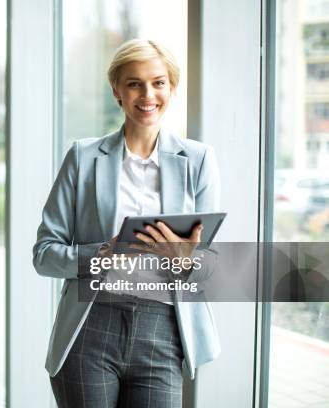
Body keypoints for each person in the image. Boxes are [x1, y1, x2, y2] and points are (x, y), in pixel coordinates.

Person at [33, 39, 221, 407]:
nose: (147, 93)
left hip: (163, 329)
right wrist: (103, 253)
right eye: (134, 83)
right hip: (91, 324)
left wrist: (185, 260)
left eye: (158, 82)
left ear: (172, 87)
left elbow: (210, 266)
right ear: (116, 91)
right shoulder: (83, 158)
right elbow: (43, 254)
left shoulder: (199, 159)